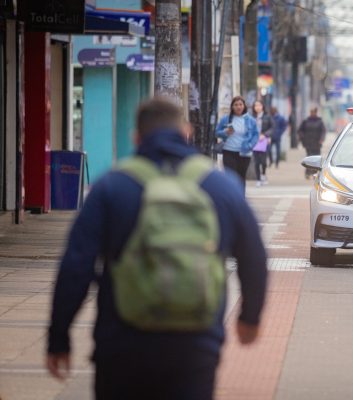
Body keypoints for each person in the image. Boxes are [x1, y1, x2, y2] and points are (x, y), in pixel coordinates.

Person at [46, 98, 268, 400]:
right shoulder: (221, 186)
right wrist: (250, 317)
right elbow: (253, 255)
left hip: (122, 342)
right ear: (186, 132)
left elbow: (76, 265)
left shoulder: (112, 187)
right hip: (196, 345)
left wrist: (59, 337)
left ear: (136, 137)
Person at [216, 96, 259, 191]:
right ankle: (231, 200)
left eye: (240, 104)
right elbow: (217, 132)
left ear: (244, 106)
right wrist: (225, 132)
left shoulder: (250, 120)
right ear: (232, 107)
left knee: (240, 178)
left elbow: (256, 135)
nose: (238, 107)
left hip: (244, 152)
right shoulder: (226, 119)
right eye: (235, 105)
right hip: (228, 152)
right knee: (230, 178)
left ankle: (240, 200)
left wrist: (251, 145)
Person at [298, 107, 326, 178]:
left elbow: (323, 131)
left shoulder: (320, 122)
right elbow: (300, 130)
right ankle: (307, 173)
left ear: (316, 113)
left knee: (316, 159)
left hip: (317, 143)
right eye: (311, 112)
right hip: (308, 143)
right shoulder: (306, 121)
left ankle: (315, 173)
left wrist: (321, 139)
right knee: (309, 158)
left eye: (313, 112)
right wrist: (302, 137)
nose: (312, 113)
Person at [251, 100, 273, 186]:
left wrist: (266, 135)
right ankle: (258, 179)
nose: (257, 107)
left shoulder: (267, 117)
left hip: (264, 141)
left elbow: (272, 128)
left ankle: (263, 174)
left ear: (262, 106)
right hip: (255, 141)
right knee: (256, 162)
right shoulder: (252, 117)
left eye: (259, 105)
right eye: (255, 106)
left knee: (263, 161)